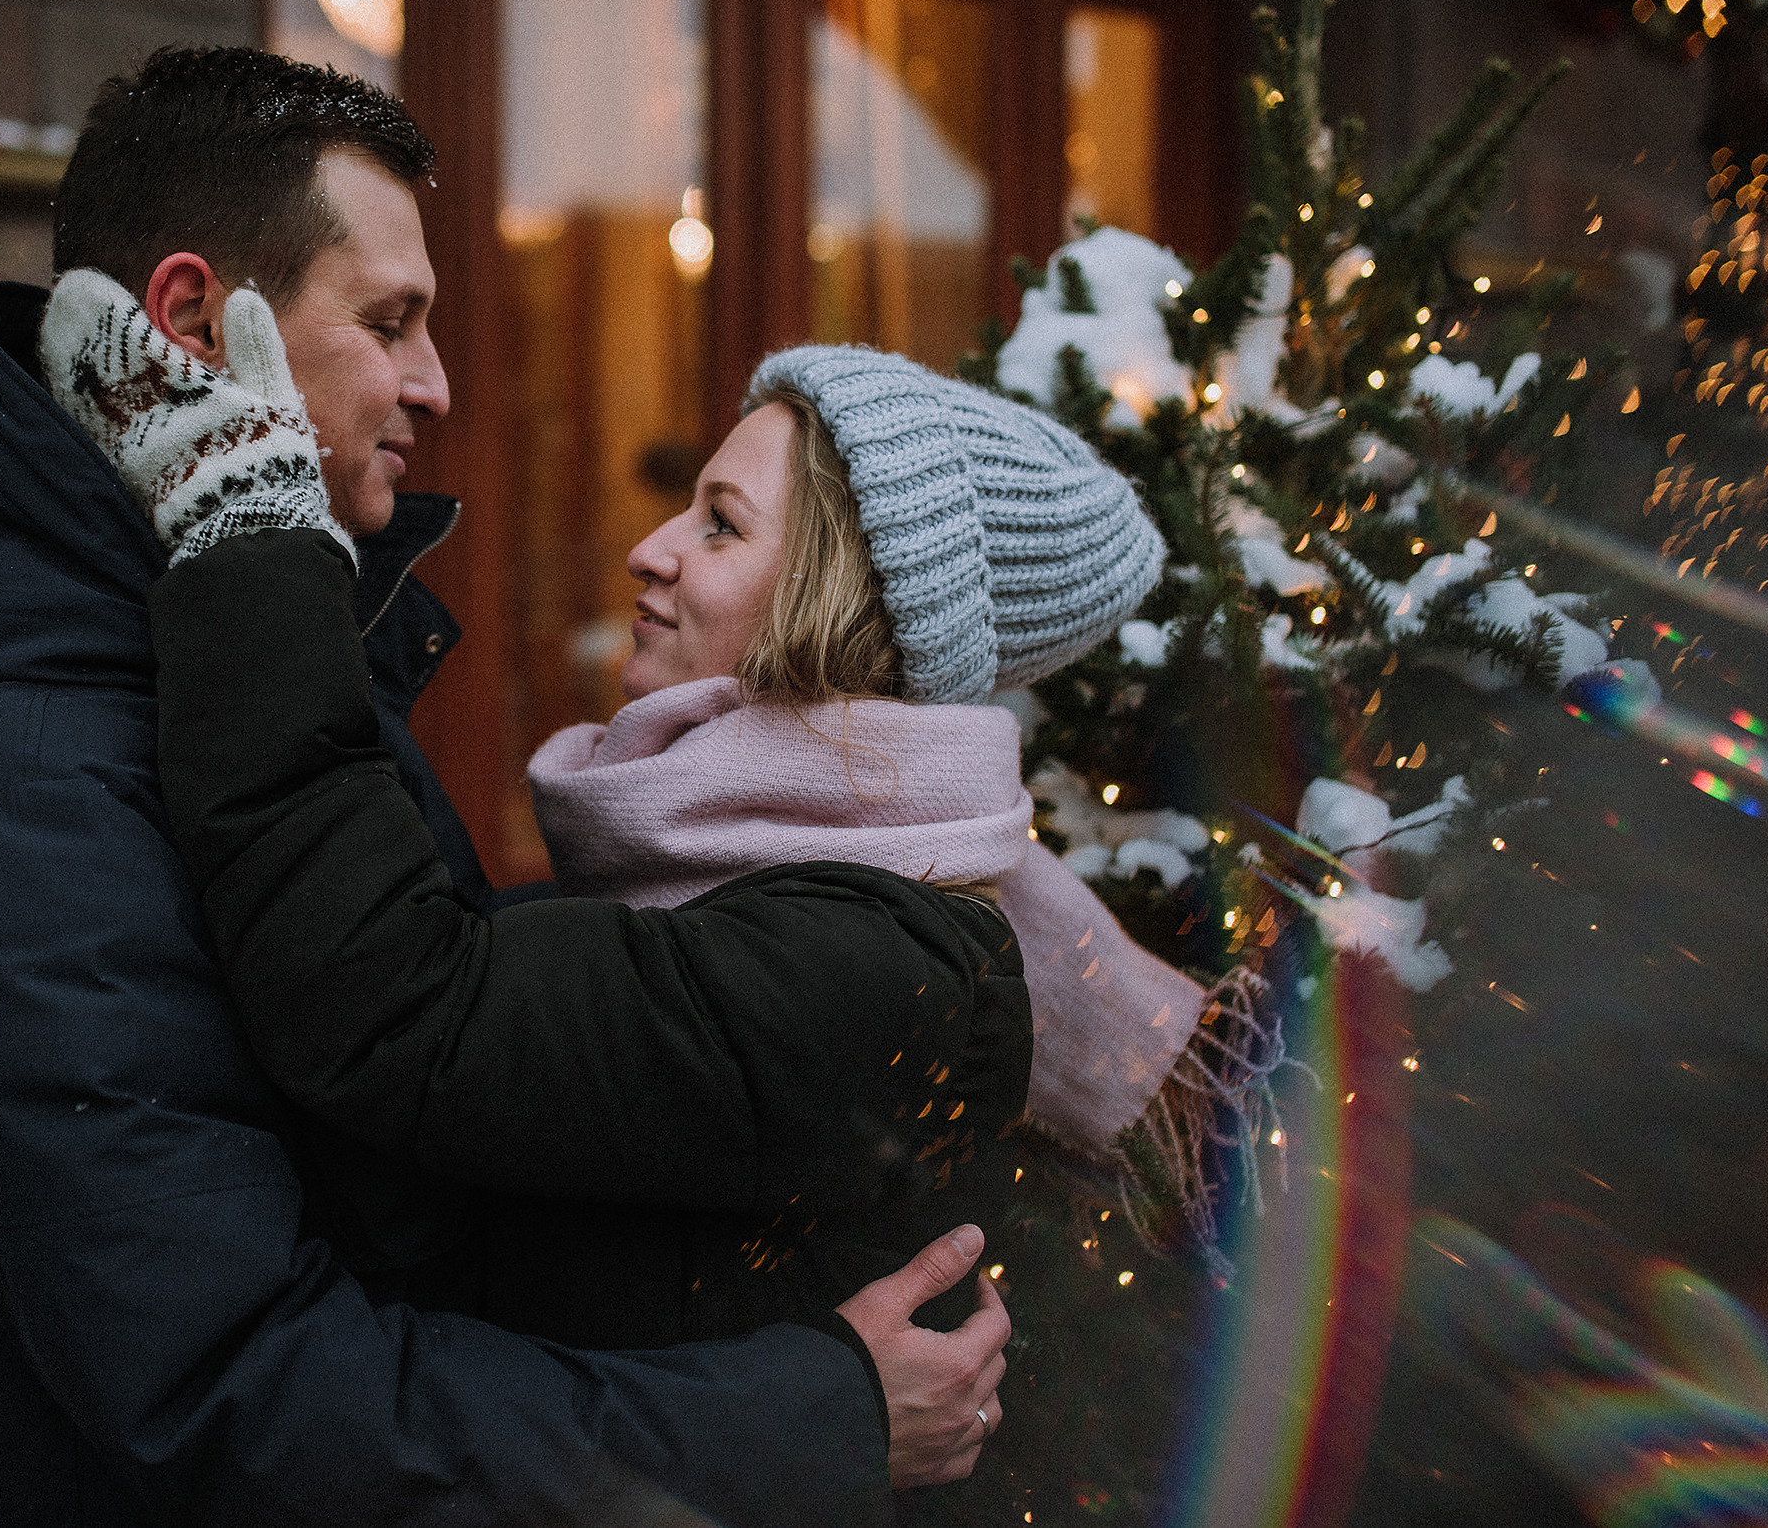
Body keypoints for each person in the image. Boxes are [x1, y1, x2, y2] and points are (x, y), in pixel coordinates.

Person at [0, 45, 1007, 1526]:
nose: (437, 383)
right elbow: (247, 1406)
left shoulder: (227, 664)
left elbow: (415, 1128)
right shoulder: (16, 804)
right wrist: (797, 1419)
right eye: (391, 321)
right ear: (193, 326)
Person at [130, 308, 1294, 1387]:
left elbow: (412, 1015)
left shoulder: (869, 963)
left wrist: (258, 553)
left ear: (843, 603)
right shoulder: (762, 890)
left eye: (722, 523)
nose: (650, 548)